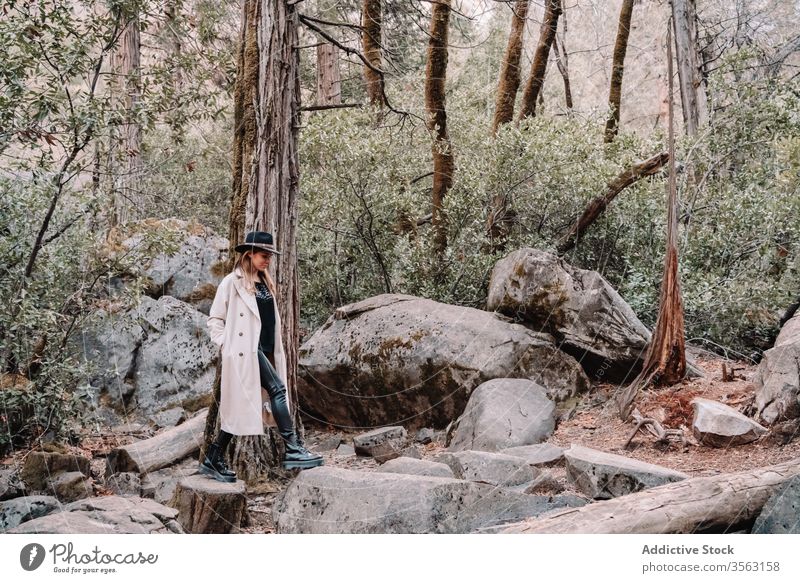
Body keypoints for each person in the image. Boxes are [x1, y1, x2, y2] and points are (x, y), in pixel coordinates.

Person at [201, 231, 323, 482]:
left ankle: (214, 456)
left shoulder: (265, 282)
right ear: (250, 254)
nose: (268, 260)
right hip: (245, 352)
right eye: (263, 255)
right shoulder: (231, 282)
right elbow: (214, 319)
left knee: (239, 409)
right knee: (278, 390)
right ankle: (293, 448)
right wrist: (229, 345)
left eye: (270, 256)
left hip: (264, 351)